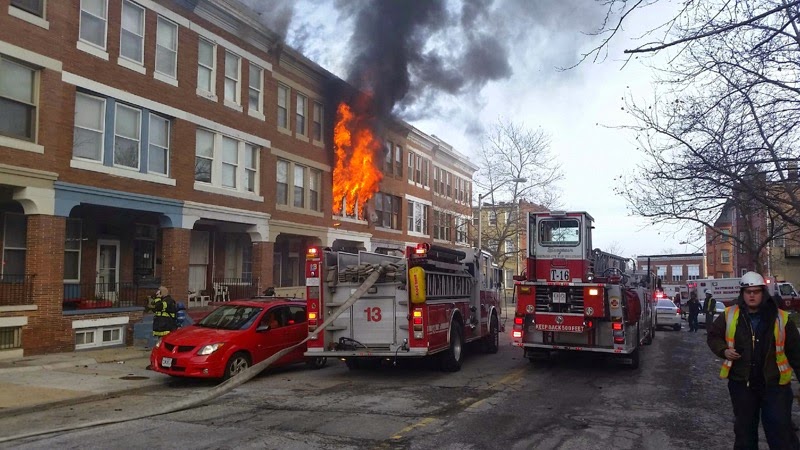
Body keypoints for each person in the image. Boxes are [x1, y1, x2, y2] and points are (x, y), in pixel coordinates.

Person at [707, 271, 800, 449]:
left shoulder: (781, 318)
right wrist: (723, 350)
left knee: (781, 433)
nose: (751, 295)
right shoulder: (729, 315)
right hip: (742, 385)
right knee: (745, 435)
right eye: (748, 292)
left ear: (763, 293)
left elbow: (797, 354)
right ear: (742, 293)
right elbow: (713, 336)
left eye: (756, 291)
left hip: (775, 386)